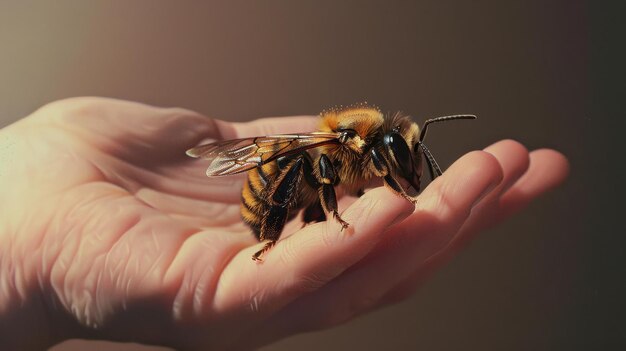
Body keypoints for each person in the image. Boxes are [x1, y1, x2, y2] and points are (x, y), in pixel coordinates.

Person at [0, 97, 569, 350]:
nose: (405, 163)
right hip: (266, 194)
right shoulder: (340, 143)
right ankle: (275, 233)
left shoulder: (364, 152)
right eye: (398, 154)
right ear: (370, 141)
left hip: (299, 184)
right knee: (303, 168)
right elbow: (317, 170)